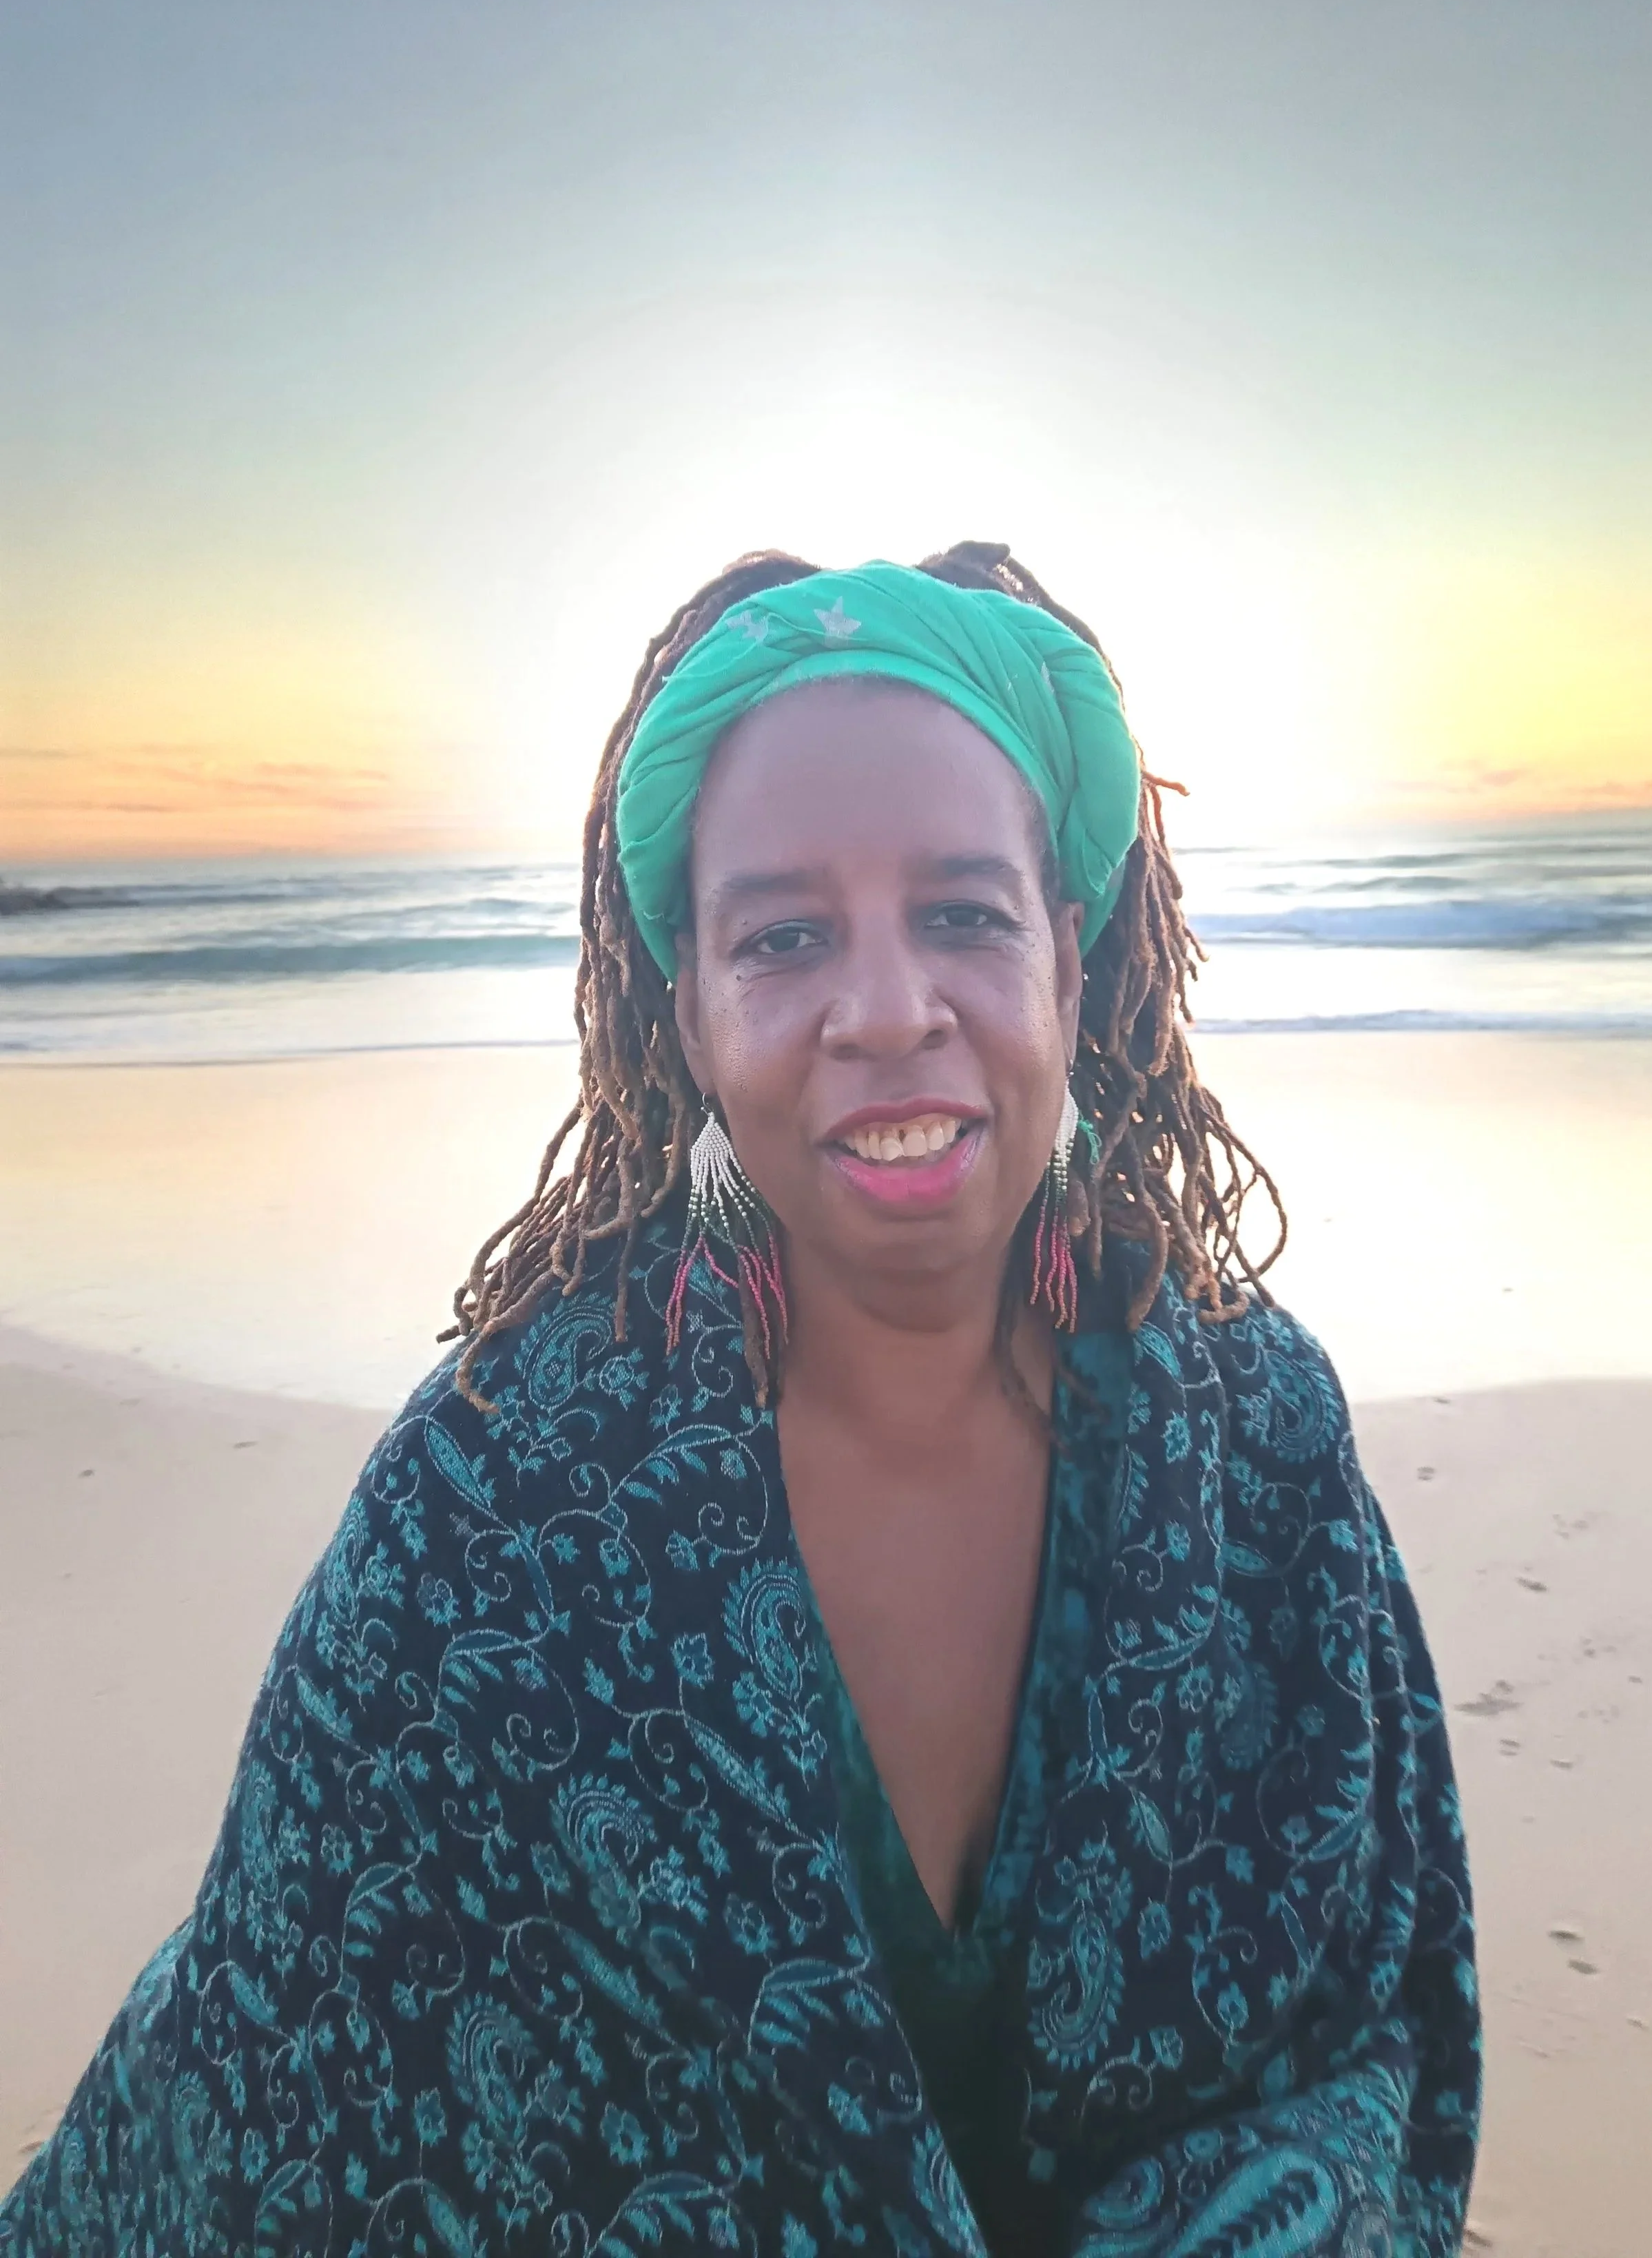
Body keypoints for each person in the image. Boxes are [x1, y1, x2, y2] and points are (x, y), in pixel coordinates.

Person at [1, 543, 1480, 2257]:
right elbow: (288, 2094)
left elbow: (1366, 2032)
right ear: (689, 1010)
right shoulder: (490, 1515)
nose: (887, 1009)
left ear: (1068, 963)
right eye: (782, 937)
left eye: (960, 914)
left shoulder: (1263, 1451)